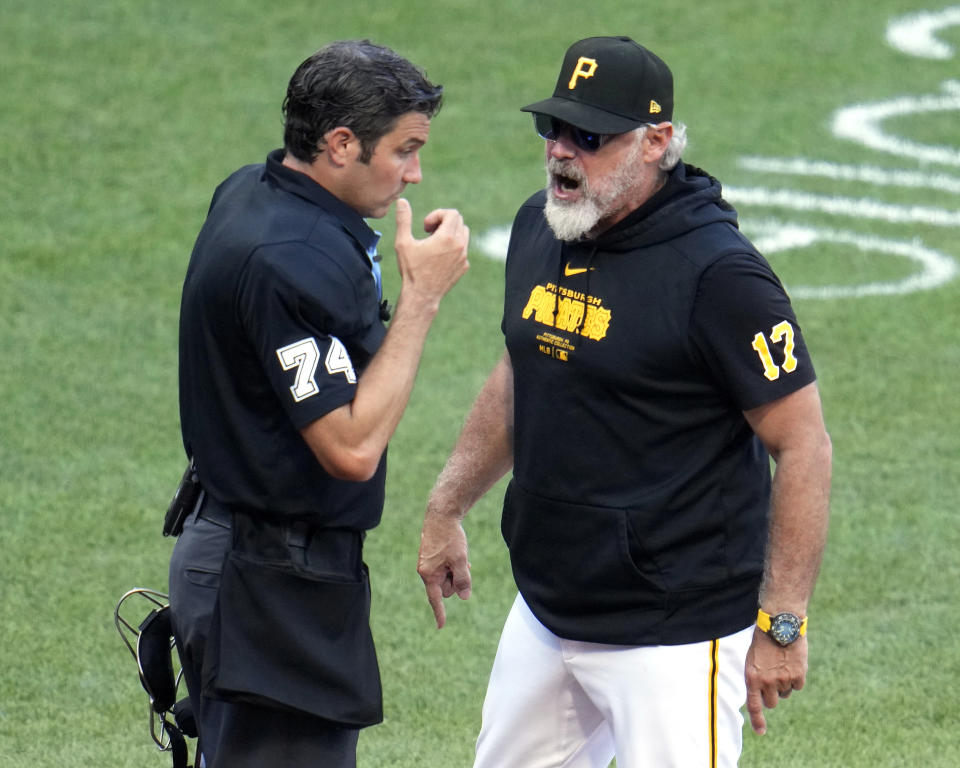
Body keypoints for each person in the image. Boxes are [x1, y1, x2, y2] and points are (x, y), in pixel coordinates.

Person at [417, 35, 831, 767]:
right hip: (550, 612)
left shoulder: (720, 277)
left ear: (655, 142)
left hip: (675, 632)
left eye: (591, 137)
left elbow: (803, 444)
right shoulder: (541, 229)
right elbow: (523, 368)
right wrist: (448, 504)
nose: (562, 152)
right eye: (554, 129)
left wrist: (783, 622)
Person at [168, 40, 469, 768]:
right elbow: (351, 448)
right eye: (404, 149)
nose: (415, 173)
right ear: (341, 144)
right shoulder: (289, 257)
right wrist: (422, 299)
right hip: (266, 582)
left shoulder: (251, 189)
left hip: (250, 552)